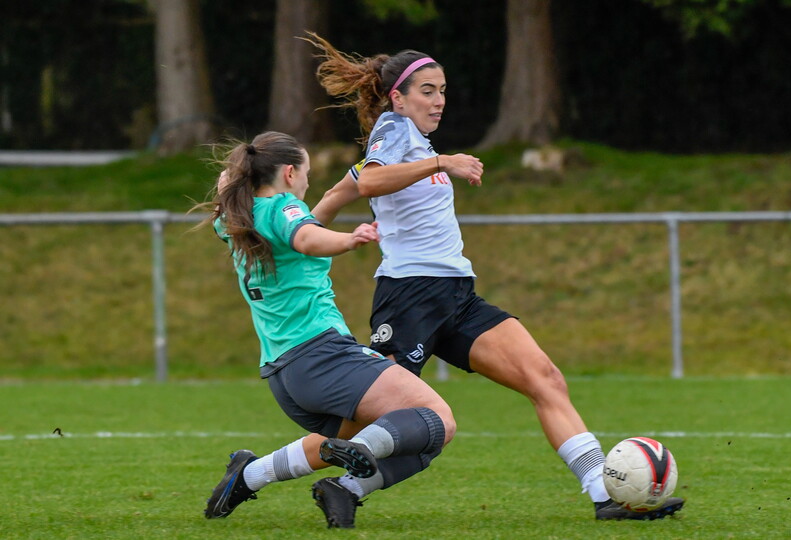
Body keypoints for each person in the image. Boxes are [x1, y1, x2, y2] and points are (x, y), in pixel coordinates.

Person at [306, 35, 684, 521]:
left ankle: (603, 495)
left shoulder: (416, 143)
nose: (438, 99)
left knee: (544, 378)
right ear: (398, 97)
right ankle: (259, 472)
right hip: (410, 297)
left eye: (442, 89)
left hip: (456, 295)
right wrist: (443, 162)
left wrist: (305, 231)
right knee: (363, 419)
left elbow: (344, 188)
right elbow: (367, 181)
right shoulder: (393, 128)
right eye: (427, 90)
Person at [198, 131, 456, 529]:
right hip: (322, 356)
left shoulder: (236, 220)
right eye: (306, 173)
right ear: (288, 173)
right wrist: (348, 239)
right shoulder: (284, 208)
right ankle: (354, 452)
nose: (306, 181)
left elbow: (300, 217)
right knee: (436, 417)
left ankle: (250, 476)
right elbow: (307, 236)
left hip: (286, 375)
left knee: (419, 442)